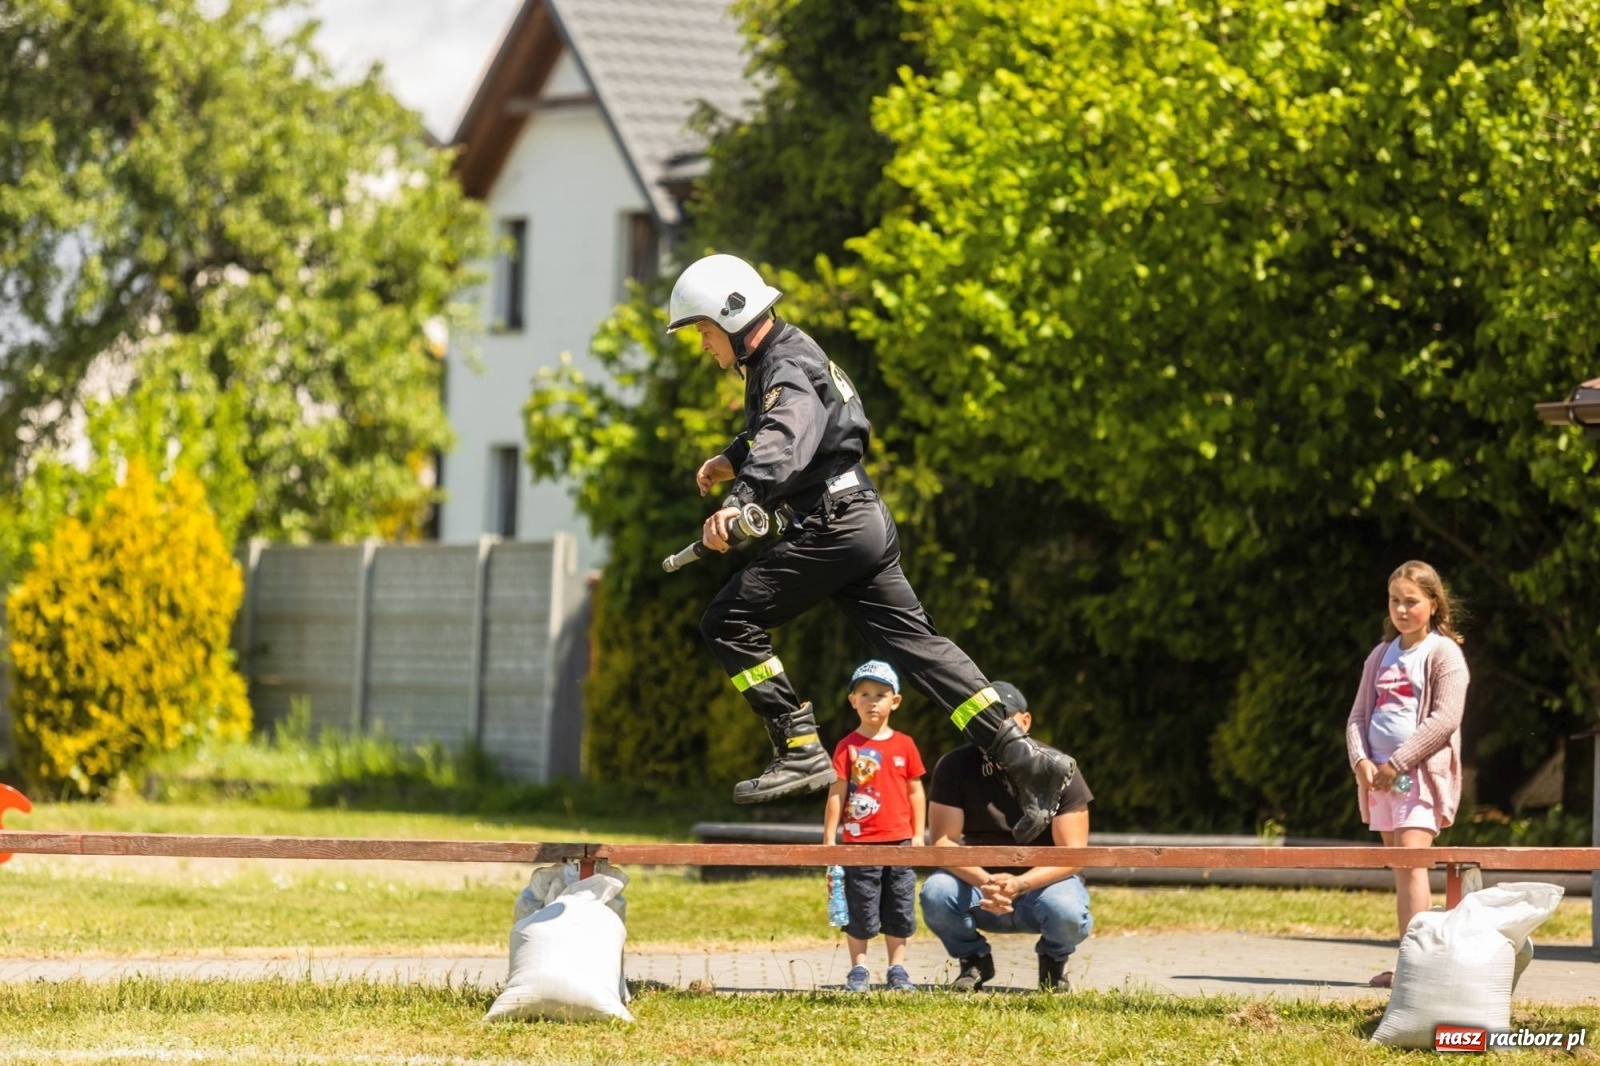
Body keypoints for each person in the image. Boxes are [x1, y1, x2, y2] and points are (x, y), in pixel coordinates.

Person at [666, 253, 1075, 840]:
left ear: (732, 317)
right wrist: (731, 459)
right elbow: (798, 423)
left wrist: (742, 496)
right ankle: (1025, 758)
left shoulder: (781, 364)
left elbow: (788, 430)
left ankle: (798, 745)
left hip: (832, 524)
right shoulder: (787, 353)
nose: (704, 345)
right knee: (919, 648)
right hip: (859, 518)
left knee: (727, 620)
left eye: (704, 331)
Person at [919, 682, 1093, 992]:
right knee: (936, 892)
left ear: (1025, 721)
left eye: (1004, 720)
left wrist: (1020, 884)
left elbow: (1073, 854)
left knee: (1066, 910)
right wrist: (985, 880)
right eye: (984, 723)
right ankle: (973, 960)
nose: (994, 731)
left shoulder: (1058, 767)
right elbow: (943, 842)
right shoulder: (954, 765)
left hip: (1043, 885)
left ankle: (1054, 962)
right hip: (978, 884)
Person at [1345, 559, 1469, 989]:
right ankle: (1409, 964)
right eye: (1395, 600)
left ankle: (1421, 970)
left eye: (1411, 602)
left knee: (1413, 865)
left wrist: (1396, 763)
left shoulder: (1443, 653)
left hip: (1415, 775)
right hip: (1379, 780)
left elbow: (1446, 718)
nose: (1401, 609)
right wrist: (1362, 761)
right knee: (1401, 868)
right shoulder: (1381, 654)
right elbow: (1358, 715)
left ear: (1434, 604)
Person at [821, 660, 926, 992]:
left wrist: (919, 835)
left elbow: (915, 791)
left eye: (880, 694)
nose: (872, 701)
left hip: (901, 843)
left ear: (895, 701)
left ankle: (897, 969)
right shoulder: (847, 746)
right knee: (861, 906)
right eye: (864, 694)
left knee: (899, 906)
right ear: (852, 701)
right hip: (858, 843)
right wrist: (829, 840)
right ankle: (859, 969)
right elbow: (837, 793)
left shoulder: (905, 745)